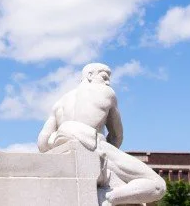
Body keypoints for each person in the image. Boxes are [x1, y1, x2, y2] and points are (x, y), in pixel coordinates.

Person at [37, 63, 166, 206]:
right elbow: (117, 135)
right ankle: (107, 197)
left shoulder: (59, 102)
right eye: (104, 77)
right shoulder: (106, 92)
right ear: (89, 75)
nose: (108, 82)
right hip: (94, 143)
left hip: (64, 144)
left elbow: (42, 143)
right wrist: (107, 157)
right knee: (157, 185)